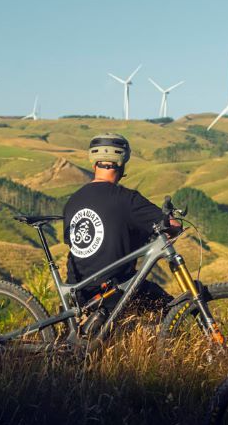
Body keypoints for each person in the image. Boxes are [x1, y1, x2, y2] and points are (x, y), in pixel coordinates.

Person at [62, 133, 173, 319]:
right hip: (115, 293)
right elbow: (170, 224)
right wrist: (174, 224)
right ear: (121, 164)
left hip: (77, 294)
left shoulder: (72, 201)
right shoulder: (127, 199)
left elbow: (71, 242)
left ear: (94, 164)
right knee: (170, 309)